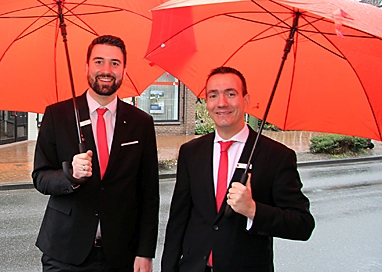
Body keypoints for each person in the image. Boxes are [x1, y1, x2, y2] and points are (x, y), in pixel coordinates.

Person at [161, 66, 315, 272]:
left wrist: (253, 210)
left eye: (231, 94)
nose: (222, 103)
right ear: (206, 102)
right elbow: (178, 219)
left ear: (246, 100)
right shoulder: (191, 152)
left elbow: (303, 225)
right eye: (213, 95)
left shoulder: (276, 156)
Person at [33, 35, 159, 272]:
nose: (106, 70)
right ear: (87, 67)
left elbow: (149, 194)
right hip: (65, 252)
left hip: (121, 253)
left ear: (124, 70)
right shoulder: (57, 115)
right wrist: (70, 176)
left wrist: (145, 252)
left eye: (114, 63)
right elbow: (40, 176)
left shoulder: (140, 122)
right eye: (99, 61)